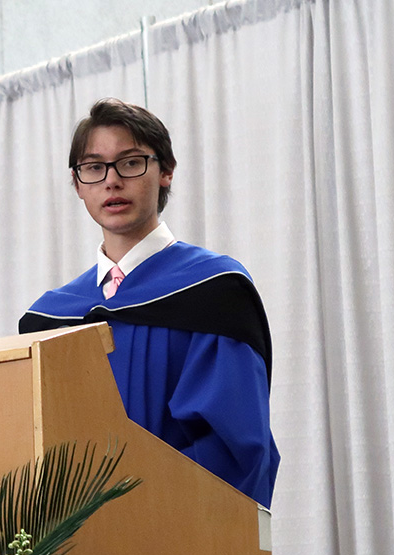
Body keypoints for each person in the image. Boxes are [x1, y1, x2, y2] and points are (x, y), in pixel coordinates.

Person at [19, 98, 279, 508]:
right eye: (94, 167)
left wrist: (132, 510)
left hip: (180, 535)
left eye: (130, 162)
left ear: (166, 172)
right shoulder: (49, 317)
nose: (111, 181)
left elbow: (233, 447)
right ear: (77, 183)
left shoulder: (213, 292)